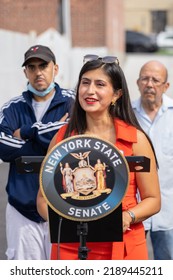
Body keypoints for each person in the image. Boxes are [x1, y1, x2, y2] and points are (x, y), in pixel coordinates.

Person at [37, 54, 160, 260]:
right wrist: (65, 219)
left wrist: (128, 217)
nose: (90, 90)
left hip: (123, 246)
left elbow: (153, 199)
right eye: (85, 83)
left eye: (100, 84)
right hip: (71, 248)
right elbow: (43, 199)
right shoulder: (63, 138)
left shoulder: (135, 139)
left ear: (116, 94)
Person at [0, 44, 75, 260]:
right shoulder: (12, 108)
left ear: (56, 68)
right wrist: (52, 135)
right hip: (22, 209)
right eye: (31, 67)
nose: (38, 72)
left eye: (43, 65)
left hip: (65, 206)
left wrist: (25, 132)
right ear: (25, 72)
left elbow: (72, 137)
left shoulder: (73, 102)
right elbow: (3, 148)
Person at [132, 60, 173, 260]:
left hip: (169, 212)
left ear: (166, 86)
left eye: (156, 80)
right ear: (137, 82)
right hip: (133, 211)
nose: (149, 84)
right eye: (145, 78)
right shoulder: (124, 115)